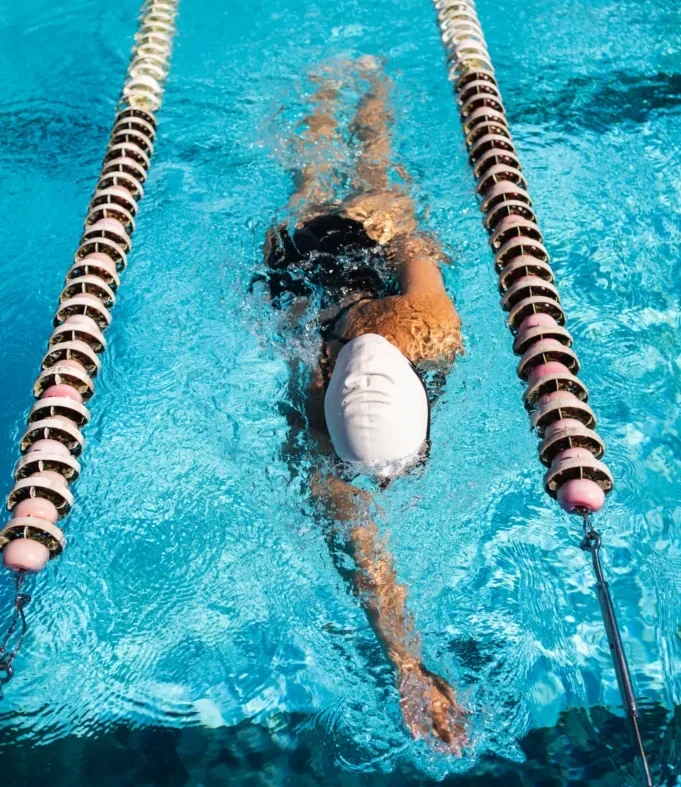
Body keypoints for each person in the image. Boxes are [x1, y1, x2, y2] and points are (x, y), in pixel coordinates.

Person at [255, 57, 465, 752]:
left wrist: (408, 664)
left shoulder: (425, 330)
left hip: (331, 281)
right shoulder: (420, 332)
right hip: (305, 272)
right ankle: (352, 85)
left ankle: (351, 84)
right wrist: (405, 663)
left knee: (369, 177)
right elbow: (364, 556)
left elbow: (360, 546)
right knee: (332, 183)